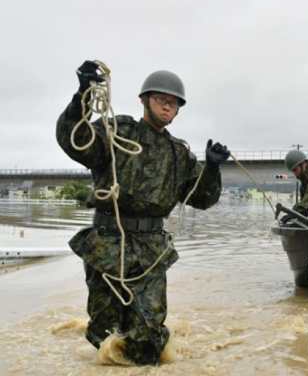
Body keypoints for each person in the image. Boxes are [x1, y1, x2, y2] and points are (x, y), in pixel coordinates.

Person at [55, 60, 230, 365]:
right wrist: (83, 94)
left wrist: (212, 168)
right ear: (144, 100)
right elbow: (76, 141)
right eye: (162, 100)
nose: (167, 107)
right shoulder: (118, 131)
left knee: (148, 337)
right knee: (105, 332)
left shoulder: (179, 154)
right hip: (108, 244)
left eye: (173, 103)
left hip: (151, 250)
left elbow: (202, 198)